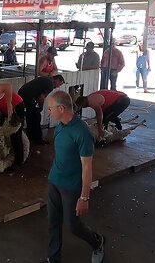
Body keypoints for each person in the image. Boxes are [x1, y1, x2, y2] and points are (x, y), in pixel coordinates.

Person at [45, 90, 105, 263]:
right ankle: (53, 259)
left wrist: (84, 197)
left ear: (61, 108)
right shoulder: (59, 127)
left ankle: (97, 241)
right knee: (53, 222)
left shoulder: (82, 133)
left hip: (71, 187)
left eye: (50, 108)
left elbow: (87, 167)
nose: (49, 112)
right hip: (54, 182)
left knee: (73, 226)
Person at [18, 75, 65, 144]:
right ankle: (38, 139)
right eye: (59, 84)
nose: (58, 87)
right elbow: (41, 97)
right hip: (28, 96)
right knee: (37, 116)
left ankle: (30, 136)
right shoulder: (50, 84)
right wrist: (41, 107)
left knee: (30, 115)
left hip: (23, 93)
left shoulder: (46, 78)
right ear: (57, 80)